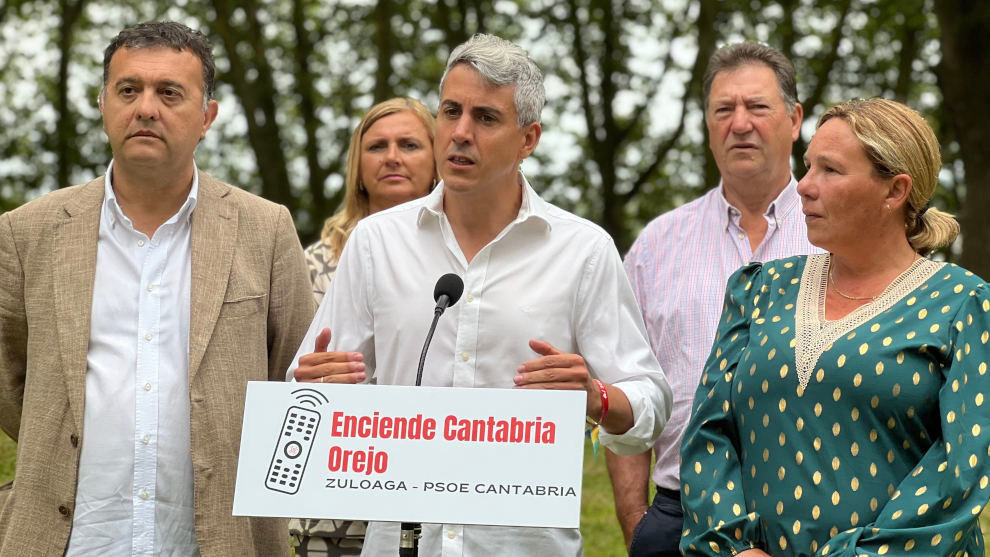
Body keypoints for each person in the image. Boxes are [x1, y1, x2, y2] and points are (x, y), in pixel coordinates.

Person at [289, 33, 672, 556]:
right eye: (451, 111)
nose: (460, 133)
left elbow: (652, 400)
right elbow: (304, 399)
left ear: (528, 138)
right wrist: (314, 386)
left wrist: (597, 397)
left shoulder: (583, 250)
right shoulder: (376, 242)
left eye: (486, 118)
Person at [0, 22, 314, 556]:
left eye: (170, 93)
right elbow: (12, 386)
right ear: (103, 104)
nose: (146, 108)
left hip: (218, 540)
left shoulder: (265, 229)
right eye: (129, 90)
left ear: (207, 116)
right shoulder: (27, 232)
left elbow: (294, 381)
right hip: (69, 541)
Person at [680, 97, 990, 556]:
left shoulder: (962, 304)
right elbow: (710, 431)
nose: (803, 186)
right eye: (806, 167)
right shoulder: (760, 288)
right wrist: (733, 547)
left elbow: (960, 470)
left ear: (894, 190)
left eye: (830, 170)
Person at [606, 42, 820, 556]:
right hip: (680, 514)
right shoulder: (656, 245)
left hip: (812, 514)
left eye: (757, 107)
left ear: (794, 119)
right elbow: (626, 385)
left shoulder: (836, 235)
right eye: (724, 109)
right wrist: (638, 522)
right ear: (707, 123)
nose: (739, 123)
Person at [291, 96, 437, 556]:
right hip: (333, 501)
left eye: (409, 144)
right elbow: (280, 372)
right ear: (358, 166)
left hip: (432, 495)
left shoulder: (461, 263)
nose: (392, 156)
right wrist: (306, 376)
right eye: (377, 147)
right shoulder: (308, 266)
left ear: (437, 159)